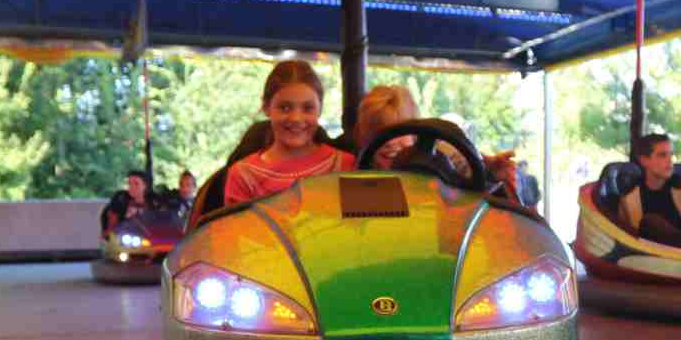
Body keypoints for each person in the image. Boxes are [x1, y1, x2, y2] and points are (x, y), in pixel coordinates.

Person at [356, 84, 522, 197]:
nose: (390, 143)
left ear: (414, 133)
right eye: (378, 133)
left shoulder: (445, 156)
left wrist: (491, 173)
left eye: (397, 132)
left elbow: (477, 187)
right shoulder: (355, 173)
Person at [224, 60, 350, 206]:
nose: (296, 118)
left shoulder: (345, 165)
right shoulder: (243, 176)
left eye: (307, 108)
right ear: (266, 107)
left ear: (320, 109)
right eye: (285, 108)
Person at [100, 170, 150, 238]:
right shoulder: (121, 198)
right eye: (129, 183)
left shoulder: (152, 201)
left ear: (145, 186)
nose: (132, 187)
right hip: (123, 236)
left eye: (136, 184)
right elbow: (112, 221)